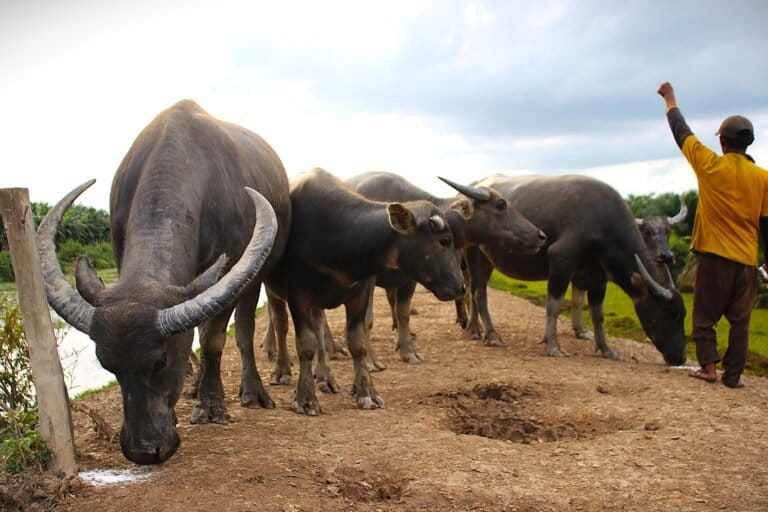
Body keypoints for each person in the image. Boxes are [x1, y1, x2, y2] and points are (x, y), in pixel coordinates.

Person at [657, 81, 768, 388]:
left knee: (704, 316)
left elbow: (681, 131)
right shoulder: (763, 178)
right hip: (746, 262)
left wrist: (670, 98)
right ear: (748, 143)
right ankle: (733, 376)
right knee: (740, 321)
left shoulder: (710, 165)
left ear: (722, 142)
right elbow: (767, 223)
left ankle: (708, 367)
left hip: (715, 257)